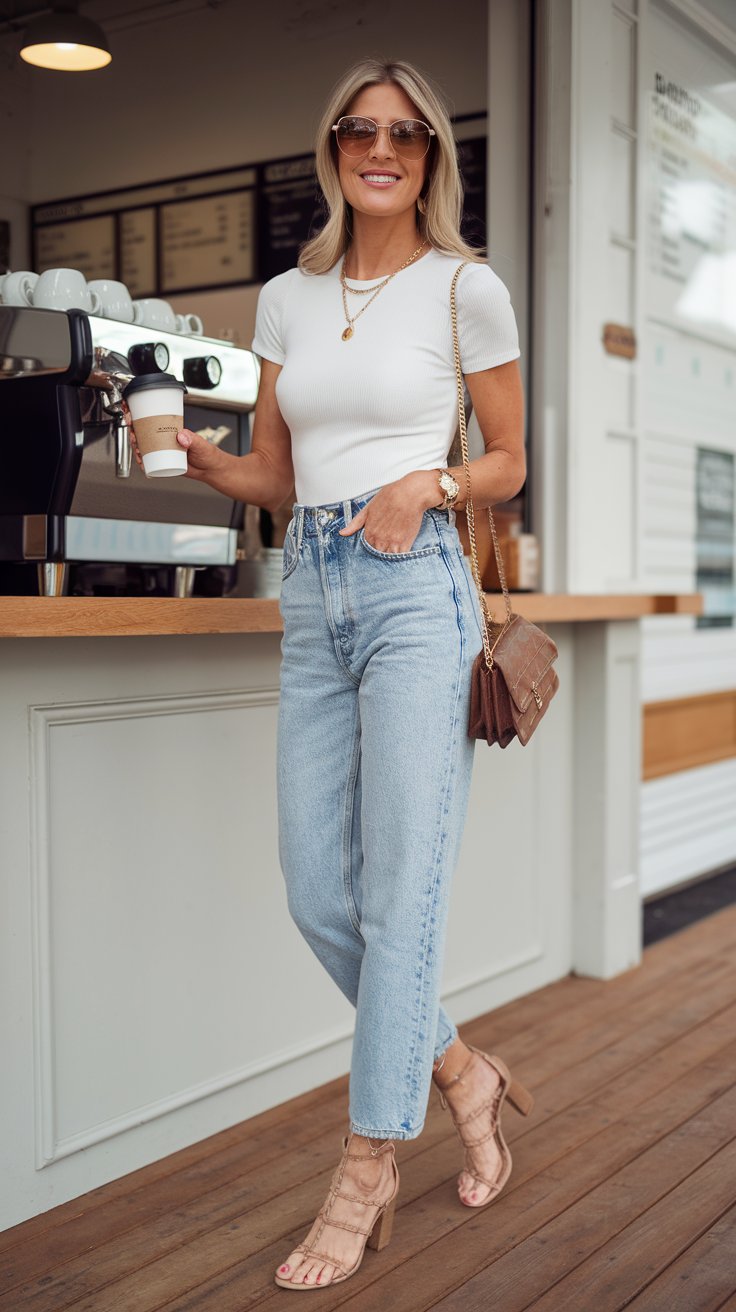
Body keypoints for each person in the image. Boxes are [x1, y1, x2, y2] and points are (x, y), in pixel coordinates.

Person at [127, 56, 530, 1293]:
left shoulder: (468, 287)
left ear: (431, 158)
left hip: (417, 596)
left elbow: (510, 458)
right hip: (314, 588)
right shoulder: (285, 299)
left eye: (407, 133)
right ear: (334, 149)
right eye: (362, 128)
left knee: (401, 893)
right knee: (318, 887)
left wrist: (434, 482)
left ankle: (366, 1166)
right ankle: (463, 1069)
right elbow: (280, 478)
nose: (383, 148)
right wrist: (202, 460)